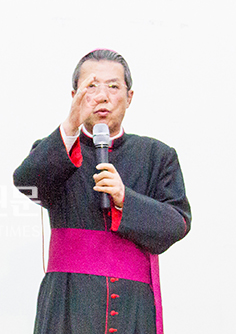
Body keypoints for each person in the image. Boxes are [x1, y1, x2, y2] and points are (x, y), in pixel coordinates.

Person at [13, 49, 191, 334]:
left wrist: (125, 199)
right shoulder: (55, 150)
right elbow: (26, 182)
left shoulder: (157, 156)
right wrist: (70, 125)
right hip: (67, 299)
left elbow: (178, 223)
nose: (102, 96)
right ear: (74, 96)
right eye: (91, 86)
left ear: (130, 96)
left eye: (113, 86)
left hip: (133, 304)